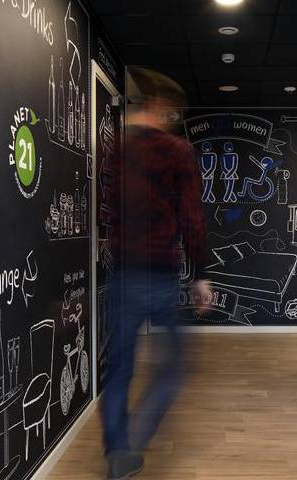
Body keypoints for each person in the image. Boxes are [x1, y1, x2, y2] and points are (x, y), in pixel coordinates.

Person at [101, 67, 211, 480]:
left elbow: (109, 209)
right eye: (172, 112)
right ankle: (134, 438)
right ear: (161, 107)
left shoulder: (118, 149)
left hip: (122, 274)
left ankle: (118, 452)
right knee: (174, 366)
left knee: (119, 369)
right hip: (160, 274)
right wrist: (200, 274)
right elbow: (191, 216)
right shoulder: (176, 150)